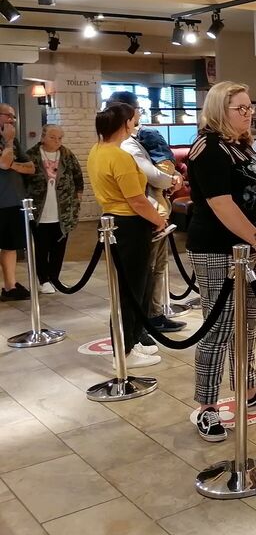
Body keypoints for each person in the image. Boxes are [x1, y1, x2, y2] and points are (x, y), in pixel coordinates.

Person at [187, 81, 256, 442]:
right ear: (219, 111)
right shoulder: (209, 147)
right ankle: (207, 406)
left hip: (251, 247)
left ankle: (248, 388)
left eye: (249, 107)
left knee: (248, 323)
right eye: (240, 108)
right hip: (219, 249)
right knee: (218, 327)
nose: (248, 114)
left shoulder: (241, 144)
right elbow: (221, 203)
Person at [87, 103, 168, 368]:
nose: (136, 124)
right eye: (134, 119)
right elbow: (137, 200)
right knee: (131, 289)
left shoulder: (97, 150)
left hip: (114, 221)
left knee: (132, 287)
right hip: (129, 225)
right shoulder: (119, 156)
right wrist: (158, 220)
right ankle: (125, 350)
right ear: (125, 123)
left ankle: (131, 340)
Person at [106, 91, 186, 335]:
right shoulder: (125, 146)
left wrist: (171, 177)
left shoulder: (127, 142)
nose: (140, 114)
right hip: (144, 214)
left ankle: (152, 315)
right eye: (137, 110)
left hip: (150, 210)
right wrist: (171, 179)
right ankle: (143, 323)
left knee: (155, 268)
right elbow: (150, 178)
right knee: (146, 271)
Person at [25, 125, 84, 294]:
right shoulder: (31, 155)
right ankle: (43, 279)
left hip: (62, 210)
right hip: (39, 210)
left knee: (59, 247)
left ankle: (54, 278)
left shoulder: (66, 154)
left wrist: (77, 199)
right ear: (43, 137)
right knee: (41, 247)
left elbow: (77, 176)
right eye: (52, 137)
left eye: (60, 138)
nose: (57, 141)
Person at [0, 103, 36, 301]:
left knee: (10, 245)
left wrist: (12, 164)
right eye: (8, 116)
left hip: (14, 200)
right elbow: (3, 163)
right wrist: (8, 142)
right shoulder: (9, 140)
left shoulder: (14, 141)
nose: (12, 120)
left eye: (14, 116)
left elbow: (31, 167)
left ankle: (10, 286)